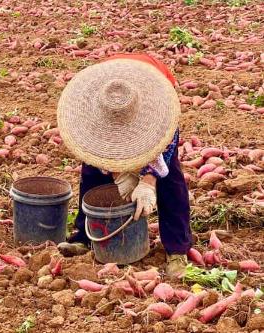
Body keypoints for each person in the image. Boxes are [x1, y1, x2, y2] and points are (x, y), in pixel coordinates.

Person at [57, 54, 192, 278]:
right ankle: (84, 236)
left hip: (150, 93)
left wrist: (148, 181)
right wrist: (119, 173)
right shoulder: (91, 103)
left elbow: (167, 143)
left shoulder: (160, 102)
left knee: (170, 181)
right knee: (92, 173)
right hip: (103, 99)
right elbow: (92, 146)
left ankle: (177, 249)